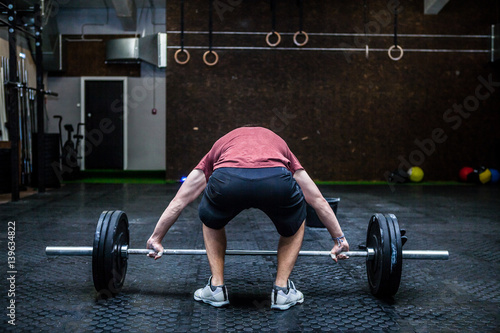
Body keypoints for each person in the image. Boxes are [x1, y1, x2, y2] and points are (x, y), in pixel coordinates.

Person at [146, 126, 349, 310]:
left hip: (227, 180)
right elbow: (317, 199)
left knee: (211, 219)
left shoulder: (220, 147)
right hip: (275, 180)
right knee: (296, 222)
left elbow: (179, 201)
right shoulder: (279, 145)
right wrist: (339, 239)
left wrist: (156, 238)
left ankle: (216, 288)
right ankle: (282, 291)